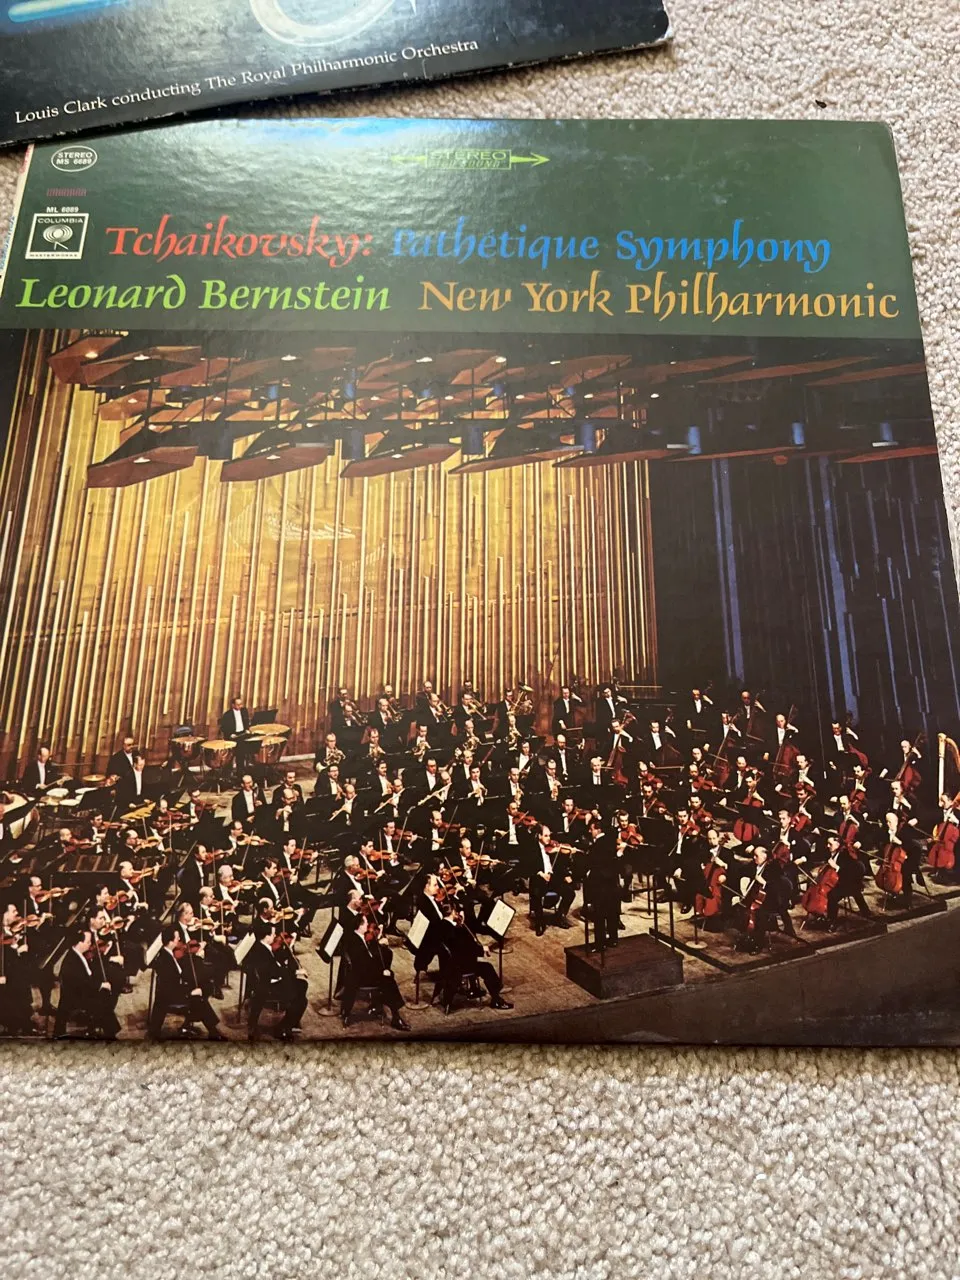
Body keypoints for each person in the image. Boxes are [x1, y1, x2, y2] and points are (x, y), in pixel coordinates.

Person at [148, 926, 224, 1040]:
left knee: (203, 987)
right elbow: (169, 988)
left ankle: (191, 1025)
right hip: (171, 996)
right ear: (170, 942)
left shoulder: (167, 953)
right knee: (200, 998)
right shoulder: (165, 961)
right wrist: (190, 992)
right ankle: (213, 1032)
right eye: (177, 938)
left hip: (175, 990)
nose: (179, 940)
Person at [435, 902, 512, 1013]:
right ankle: (496, 999)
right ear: (453, 912)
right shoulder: (454, 931)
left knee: (482, 966)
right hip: (458, 966)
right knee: (488, 968)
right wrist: (481, 949)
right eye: (456, 912)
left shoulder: (441, 925)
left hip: (448, 964)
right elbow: (464, 949)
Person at [339, 914, 410, 1031]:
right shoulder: (354, 942)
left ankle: (383, 1007)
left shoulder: (360, 937)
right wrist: (382, 971)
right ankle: (395, 1016)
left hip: (365, 971)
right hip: (360, 976)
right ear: (360, 926)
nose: (368, 925)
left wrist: (380, 942)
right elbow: (363, 964)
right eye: (366, 923)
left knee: (388, 971)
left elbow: (371, 954)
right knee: (388, 980)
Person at [243, 921, 309, 1041]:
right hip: (268, 987)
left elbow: (275, 962)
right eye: (273, 934)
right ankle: (282, 1028)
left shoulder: (261, 946)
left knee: (303, 985)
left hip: (270, 981)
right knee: (302, 1001)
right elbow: (274, 972)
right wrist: (296, 972)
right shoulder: (262, 953)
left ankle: (292, 1019)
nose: (275, 936)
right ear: (266, 937)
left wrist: (288, 948)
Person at [53, 929, 120, 1039]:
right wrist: (100, 985)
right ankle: (109, 1033)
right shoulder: (72, 962)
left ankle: (102, 1027)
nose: (90, 944)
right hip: (76, 997)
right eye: (88, 942)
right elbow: (82, 983)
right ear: (80, 943)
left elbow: (86, 977)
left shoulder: (76, 954)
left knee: (106, 994)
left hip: (80, 990)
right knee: (104, 999)